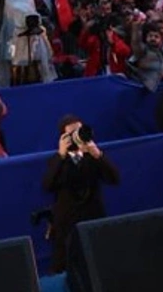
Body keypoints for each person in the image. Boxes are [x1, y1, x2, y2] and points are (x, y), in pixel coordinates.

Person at [42, 115, 119, 274]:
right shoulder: (56, 161)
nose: (77, 137)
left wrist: (98, 154)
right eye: (71, 134)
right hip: (67, 225)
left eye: (79, 131)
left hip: (93, 219)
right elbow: (48, 186)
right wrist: (61, 155)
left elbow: (114, 179)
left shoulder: (94, 157)